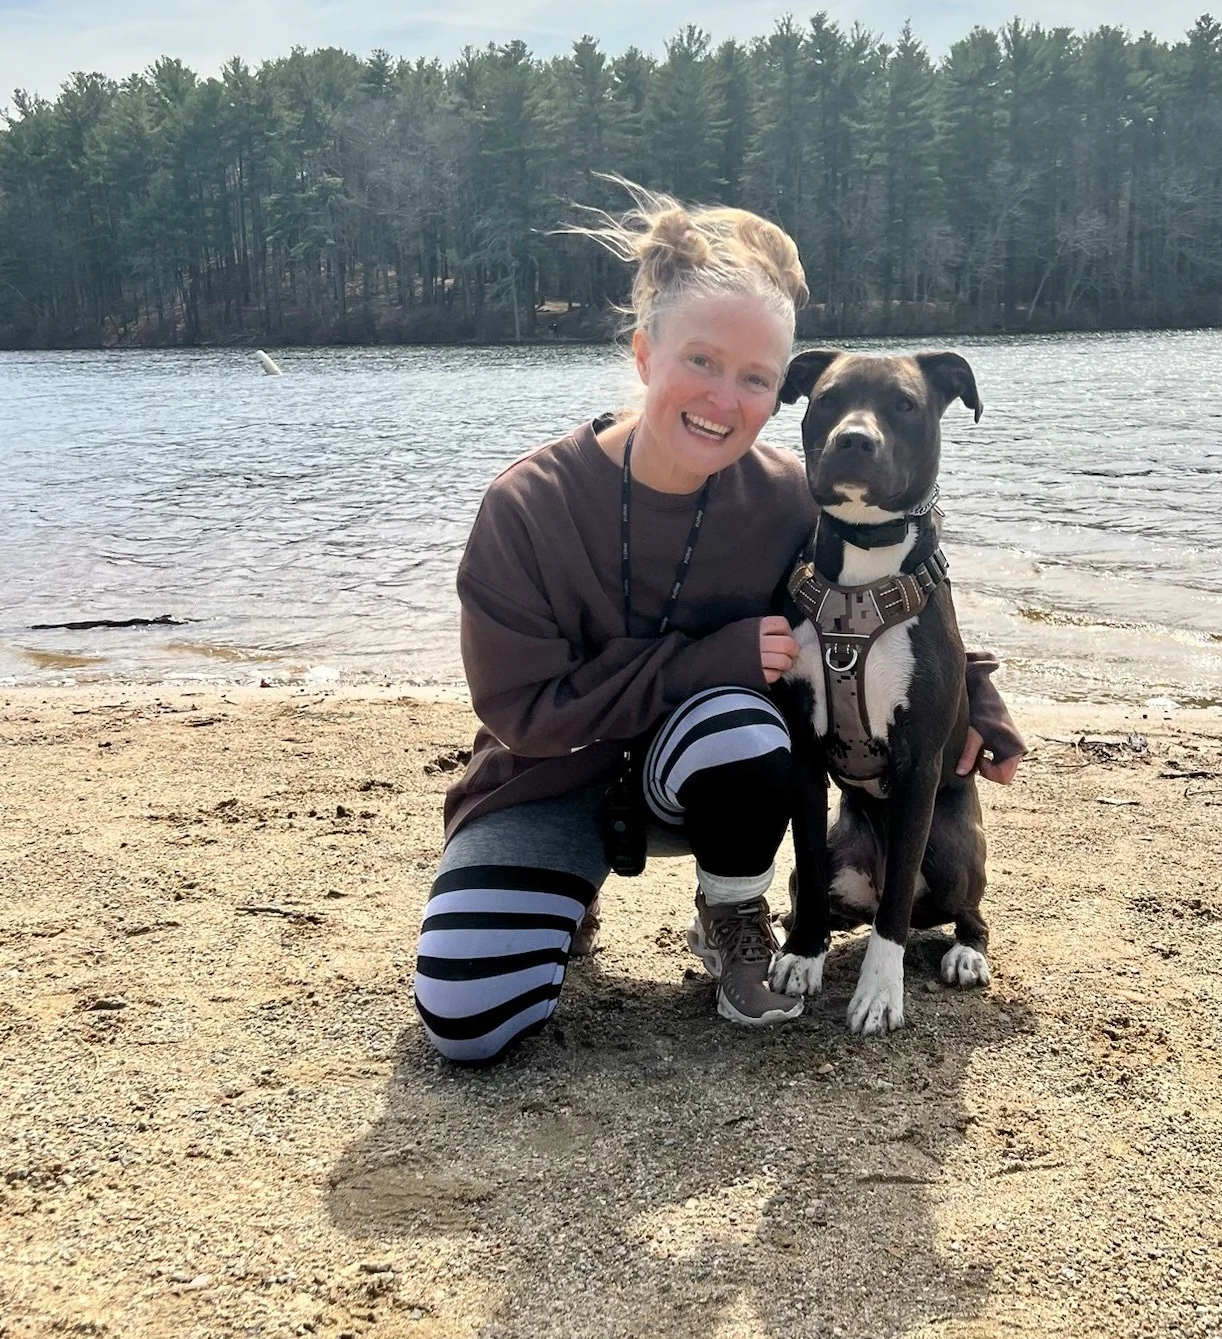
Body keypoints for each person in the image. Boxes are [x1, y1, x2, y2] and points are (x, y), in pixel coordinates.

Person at [413, 191, 1025, 1065]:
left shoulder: (790, 498)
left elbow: (894, 606)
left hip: (707, 782)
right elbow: (521, 714)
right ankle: (563, 892)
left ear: (780, 395)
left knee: (739, 724)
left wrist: (980, 699)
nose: (722, 399)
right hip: (547, 778)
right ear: (643, 354)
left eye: (755, 378)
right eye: (701, 360)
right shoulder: (530, 505)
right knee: (470, 1022)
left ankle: (732, 910)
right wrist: (707, 659)